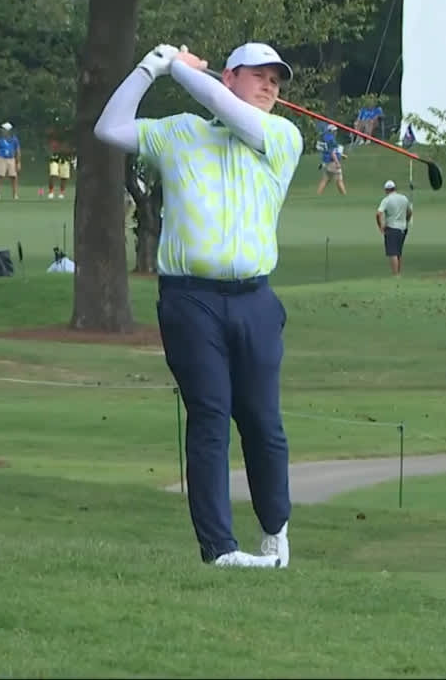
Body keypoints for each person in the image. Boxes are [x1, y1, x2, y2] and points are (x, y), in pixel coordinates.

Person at [93, 40, 303, 570]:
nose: (270, 87)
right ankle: (219, 550)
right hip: (191, 299)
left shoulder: (281, 136)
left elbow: (235, 117)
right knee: (209, 416)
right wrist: (151, 67)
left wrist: (184, 74)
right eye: (259, 76)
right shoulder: (179, 132)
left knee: (262, 421)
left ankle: (275, 533)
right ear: (228, 76)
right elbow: (110, 128)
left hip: (255, 299)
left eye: (276, 81)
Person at [375, 180, 412, 275]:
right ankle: (398, 273)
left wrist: (380, 227)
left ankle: (396, 275)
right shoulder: (404, 198)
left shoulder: (387, 200)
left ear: (386, 190)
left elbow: (378, 214)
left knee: (393, 253)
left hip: (392, 228)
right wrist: (406, 220)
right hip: (403, 229)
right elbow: (409, 212)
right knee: (398, 252)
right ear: (395, 188)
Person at [0, 122, 21, 199]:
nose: (2, 131)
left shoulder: (14, 139)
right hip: (1, 158)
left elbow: (17, 151)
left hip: (11, 159)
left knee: (14, 177)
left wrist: (18, 162)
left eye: (4, 129)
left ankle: (15, 194)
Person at [315, 123, 346, 195]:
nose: (336, 132)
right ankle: (344, 195)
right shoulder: (331, 140)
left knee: (325, 179)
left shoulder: (324, 138)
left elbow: (328, 150)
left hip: (326, 161)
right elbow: (332, 152)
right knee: (339, 180)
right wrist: (337, 162)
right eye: (334, 131)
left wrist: (341, 155)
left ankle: (318, 194)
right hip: (332, 162)